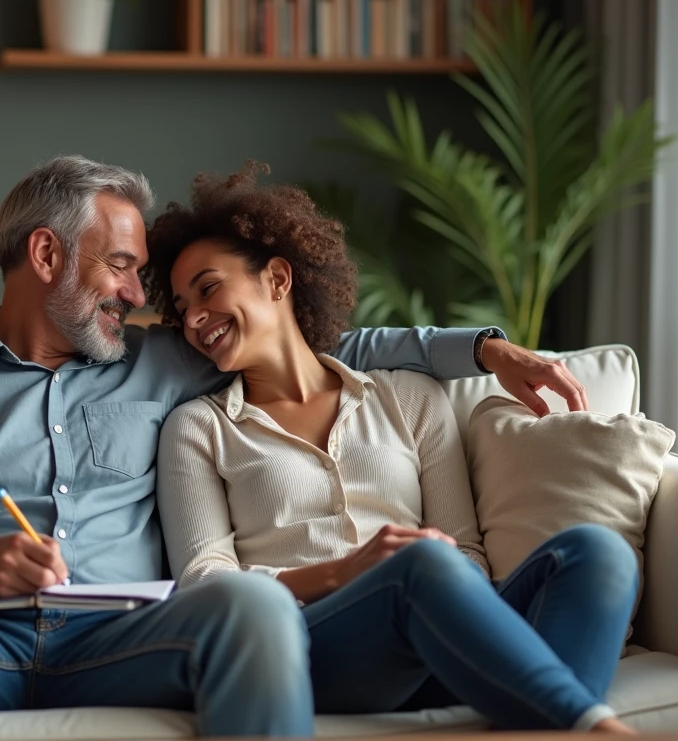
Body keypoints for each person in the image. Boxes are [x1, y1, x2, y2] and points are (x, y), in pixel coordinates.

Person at [0, 155, 593, 739]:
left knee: (247, 600)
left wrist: (488, 350)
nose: (138, 297)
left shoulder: (162, 357)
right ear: (45, 256)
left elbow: (318, 340)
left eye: (143, 276)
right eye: (120, 267)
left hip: (124, 637)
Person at [146, 163, 638, 733]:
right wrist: (346, 572)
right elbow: (206, 583)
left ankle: (540, 711)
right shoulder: (197, 428)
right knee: (418, 563)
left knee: (596, 551)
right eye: (182, 310)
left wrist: (457, 607)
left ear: (277, 279)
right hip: (314, 648)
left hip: (439, 634)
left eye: (207, 288)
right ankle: (599, 728)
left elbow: (465, 551)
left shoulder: (409, 397)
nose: (195, 319)